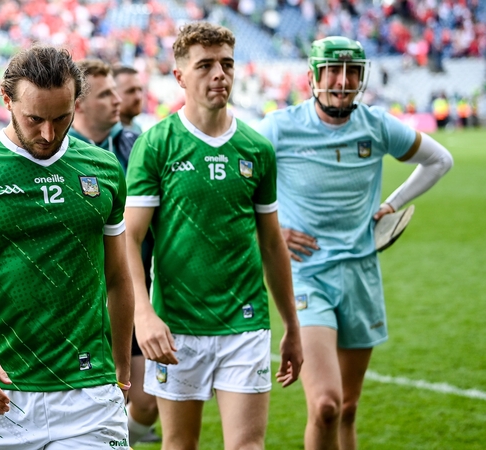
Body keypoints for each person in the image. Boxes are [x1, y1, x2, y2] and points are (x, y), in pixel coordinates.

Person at [0, 45, 134, 449]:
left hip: (90, 393)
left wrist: (120, 371)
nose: (48, 134)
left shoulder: (103, 169)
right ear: (6, 100)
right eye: (35, 119)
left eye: (61, 118)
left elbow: (119, 278)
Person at [257, 36, 453, 450]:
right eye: (333, 69)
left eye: (353, 72)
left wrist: (393, 203)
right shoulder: (279, 127)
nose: (343, 81)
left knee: (347, 407)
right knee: (326, 404)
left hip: (362, 275)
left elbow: (440, 160)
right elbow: (236, 189)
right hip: (308, 278)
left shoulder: (376, 124)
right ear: (312, 76)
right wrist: (272, 233)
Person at [124, 22, 303, 450]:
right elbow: (128, 239)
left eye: (226, 63)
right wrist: (143, 314)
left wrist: (292, 325)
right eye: (205, 65)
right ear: (180, 76)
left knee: (247, 445)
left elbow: (273, 243)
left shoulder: (257, 149)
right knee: (180, 444)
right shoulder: (156, 145)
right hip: (177, 327)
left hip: (246, 323)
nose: (219, 73)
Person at [69, 58, 160, 446]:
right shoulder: (59, 152)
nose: (117, 100)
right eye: (105, 94)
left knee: (145, 400)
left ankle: (127, 435)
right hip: (80, 302)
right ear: (80, 104)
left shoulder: (135, 145)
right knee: (85, 404)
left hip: (132, 288)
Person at [68, 60, 138, 170]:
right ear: (77, 105)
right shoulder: (61, 151)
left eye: (115, 90)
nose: (117, 100)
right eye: (105, 94)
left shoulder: (136, 143)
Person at [113, 65, 145, 135]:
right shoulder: (106, 134)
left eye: (140, 89)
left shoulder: (137, 129)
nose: (138, 97)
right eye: (131, 91)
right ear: (113, 94)